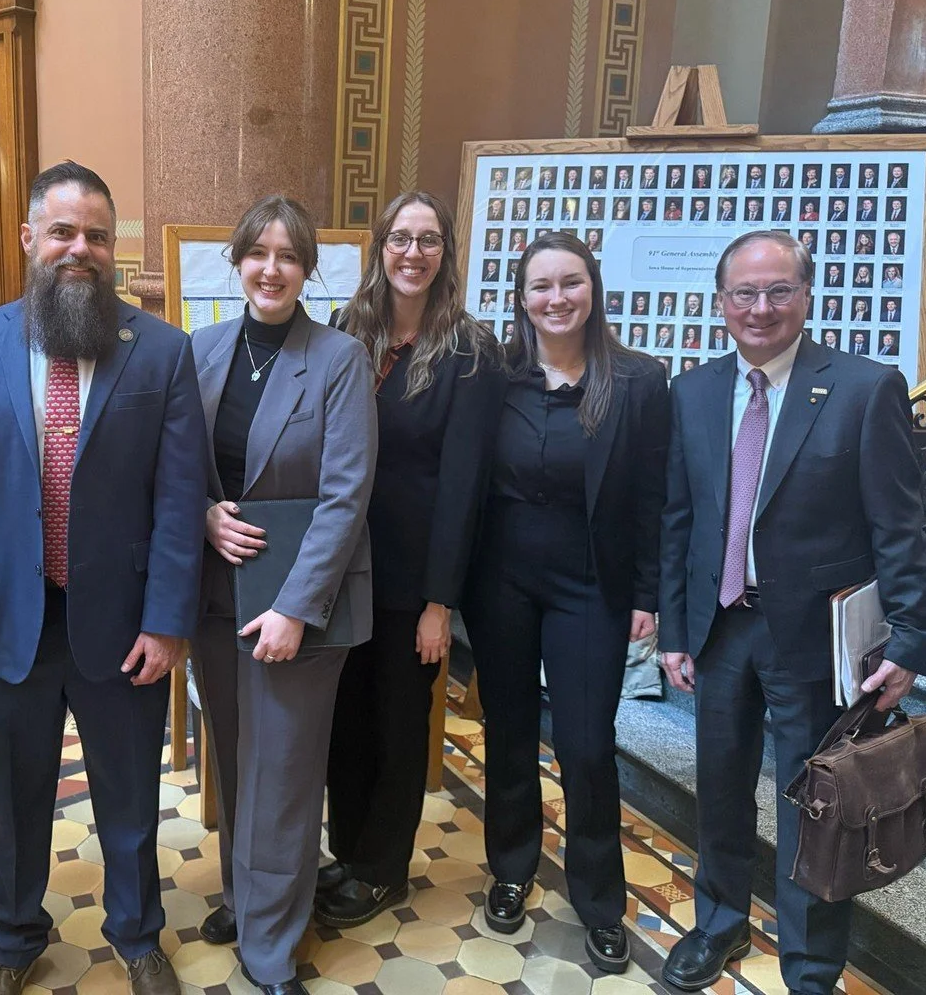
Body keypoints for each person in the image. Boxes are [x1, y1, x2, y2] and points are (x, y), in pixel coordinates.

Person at [0, 162, 207, 995]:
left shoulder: (161, 350)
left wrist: (167, 621)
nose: (79, 249)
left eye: (95, 235)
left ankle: (137, 933)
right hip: (11, 619)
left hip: (123, 621)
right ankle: (14, 941)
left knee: (129, 789)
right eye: (62, 232)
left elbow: (178, 494)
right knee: (15, 798)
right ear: (29, 240)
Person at [658, 230, 926, 993]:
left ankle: (811, 965)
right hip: (720, 631)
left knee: (817, 804)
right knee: (717, 786)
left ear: (807, 297)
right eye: (743, 293)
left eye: (779, 290)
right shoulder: (694, 391)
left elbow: (899, 524)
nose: (761, 308)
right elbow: (679, 521)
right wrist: (674, 629)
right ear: (720, 302)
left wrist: (915, 636)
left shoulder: (861, 387)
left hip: (814, 640)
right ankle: (717, 923)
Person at [461, 232, 668, 975]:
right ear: (521, 299)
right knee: (508, 731)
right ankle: (512, 868)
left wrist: (648, 595)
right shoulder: (495, 379)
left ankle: (600, 900)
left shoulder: (639, 382)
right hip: (502, 587)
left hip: (592, 589)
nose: (556, 298)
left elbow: (654, 497)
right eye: (541, 286)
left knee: (585, 746)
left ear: (593, 290)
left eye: (570, 283)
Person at [189, 195, 376, 994]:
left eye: (288, 256)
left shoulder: (338, 359)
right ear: (236, 263)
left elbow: (347, 494)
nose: (271, 269)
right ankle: (249, 896)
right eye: (257, 253)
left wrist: (298, 606)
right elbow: (177, 468)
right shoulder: (198, 351)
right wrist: (203, 516)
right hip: (215, 597)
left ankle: (272, 948)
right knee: (234, 763)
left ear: (307, 269)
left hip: (300, 602)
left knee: (287, 773)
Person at [318, 192, 502, 928]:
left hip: (410, 584)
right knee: (343, 721)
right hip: (338, 571)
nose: (413, 252)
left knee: (399, 729)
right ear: (380, 248)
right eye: (401, 238)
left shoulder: (470, 350)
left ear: (445, 253)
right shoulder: (343, 333)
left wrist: (438, 603)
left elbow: (463, 487)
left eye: (429, 240)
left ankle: (383, 869)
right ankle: (348, 851)